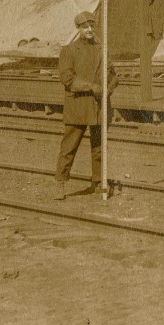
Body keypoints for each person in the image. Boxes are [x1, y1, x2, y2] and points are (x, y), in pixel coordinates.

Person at [55, 11, 117, 200]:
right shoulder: (69, 50)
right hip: (78, 107)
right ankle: (60, 183)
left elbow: (114, 75)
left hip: (98, 107)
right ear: (78, 29)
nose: (89, 30)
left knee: (98, 147)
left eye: (91, 26)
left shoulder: (101, 49)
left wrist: (109, 88)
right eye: (85, 27)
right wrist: (91, 87)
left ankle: (98, 182)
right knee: (69, 147)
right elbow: (67, 79)